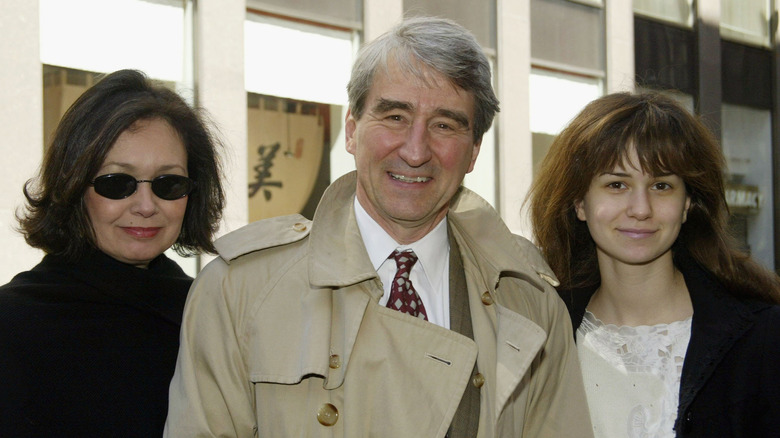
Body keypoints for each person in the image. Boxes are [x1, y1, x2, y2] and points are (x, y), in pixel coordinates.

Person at [165, 16, 591, 438]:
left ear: (474, 151)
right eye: (394, 117)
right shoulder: (238, 288)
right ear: (351, 130)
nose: (415, 150)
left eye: (444, 125)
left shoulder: (528, 300)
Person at [528, 91, 780, 437]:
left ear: (688, 203)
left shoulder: (762, 338)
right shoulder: (537, 334)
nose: (641, 208)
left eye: (661, 185)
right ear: (579, 203)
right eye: (617, 184)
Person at [0, 69, 225, 437]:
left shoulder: (210, 314)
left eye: (169, 184)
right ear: (72, 185)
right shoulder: (12, 324)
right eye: (117, 183)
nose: (146, 205)